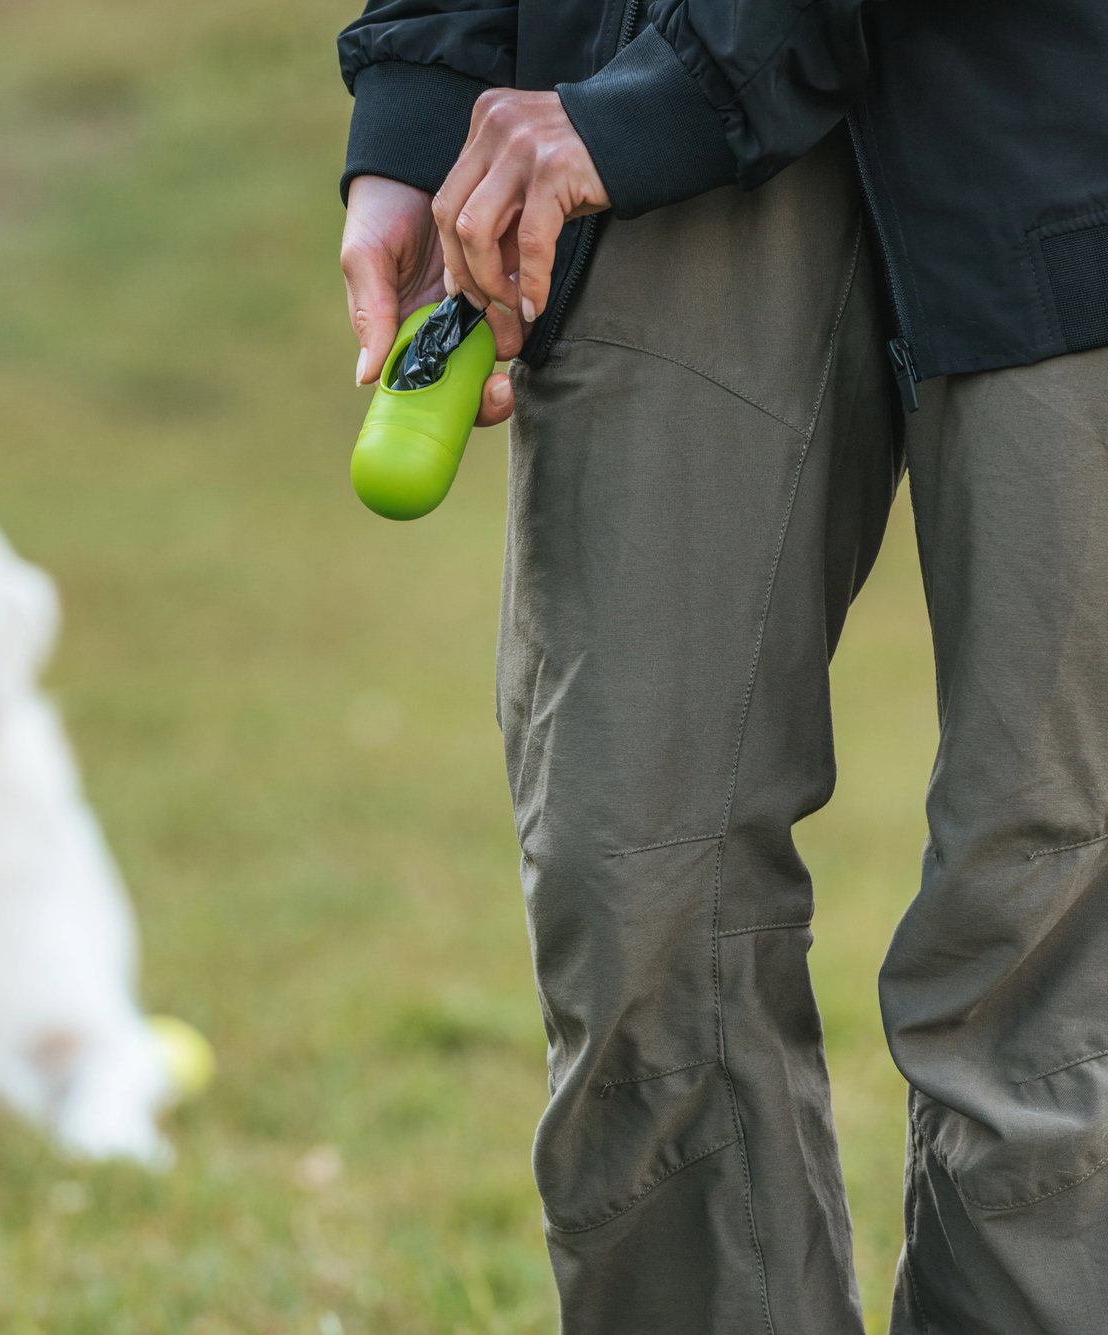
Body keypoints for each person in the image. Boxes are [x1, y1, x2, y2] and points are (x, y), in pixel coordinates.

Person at [333, 3, 1108, 1331]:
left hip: (1055, 98)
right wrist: (424, 81)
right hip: (639, 106)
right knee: (632, 876)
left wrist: (675, 91)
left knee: (1054, 915)